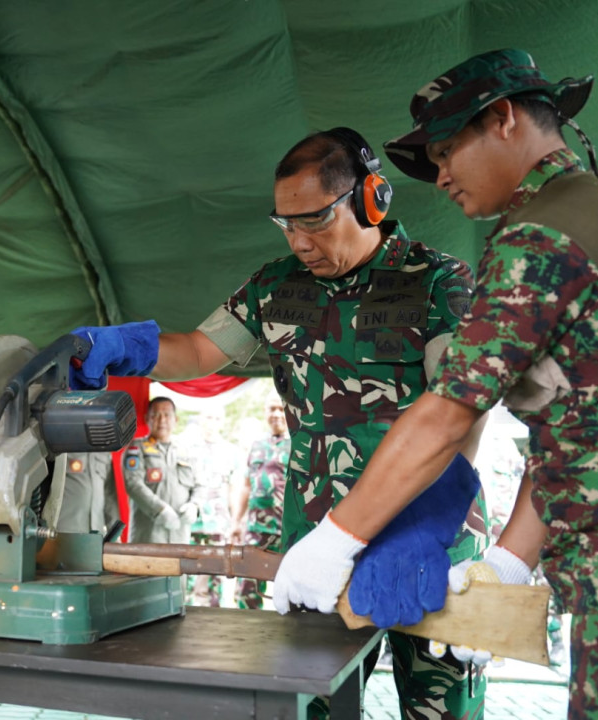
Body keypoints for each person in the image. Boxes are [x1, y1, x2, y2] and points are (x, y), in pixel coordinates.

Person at [278, 49, 598, 720]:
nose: (439, 179)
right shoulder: (587, 213)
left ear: (503, 119)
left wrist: (336, 537)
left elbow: (448, 411)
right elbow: (581, 430)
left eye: (445, 152)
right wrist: (509, 564)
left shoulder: (544, 234)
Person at [72, 127, 490, 718]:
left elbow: (463, 410)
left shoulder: (436, 281)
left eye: (315, 221)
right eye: (286, 224)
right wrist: (127, 347)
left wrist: (432, 525)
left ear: (371, 200)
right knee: (311, 704)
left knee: (440, 706)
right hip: (319, 543)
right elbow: (196, 351)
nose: (299, 241)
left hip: (428, 534)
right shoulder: (275, 287)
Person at [232, 392, 289, 610]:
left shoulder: (299, 444)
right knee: (247, 590)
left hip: (287, 531)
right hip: (256, 531)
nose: (276, 414)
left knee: (292, 593)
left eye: (281, 408)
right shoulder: (256, 445)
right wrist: (237, 521)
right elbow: (246, 485)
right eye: (271, 409)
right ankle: (246, 638)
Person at [122, 397, 199, 544]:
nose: (162, 420)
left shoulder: (187, 450)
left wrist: (194, 505)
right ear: (147, 419)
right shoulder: (137, 448)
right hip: (148, 533)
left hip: (180, 535)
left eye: (167, 415)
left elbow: (200, 484)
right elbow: (133, 484)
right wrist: (159, 510)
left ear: (175, 420)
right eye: (156, 415)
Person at [185, 406, 236, 607]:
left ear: (222, 422)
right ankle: (184, 610)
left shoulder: (231, 451)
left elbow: (235, 487)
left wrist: (235, 522)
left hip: (219, 522)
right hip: (192, 522)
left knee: (217, 573)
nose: (212, 422)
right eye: (208, 417)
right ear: (200, 419)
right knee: (188, 573)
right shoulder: (186, 449)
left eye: (216, 418)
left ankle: (217, 616)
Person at [56, 452, 118, 534]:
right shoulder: (61, 444)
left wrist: (114, 532)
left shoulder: (104, 452)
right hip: (65, 530)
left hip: (97, 532)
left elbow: (109, 496)